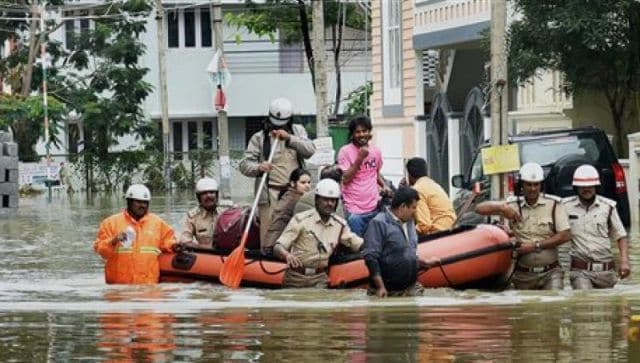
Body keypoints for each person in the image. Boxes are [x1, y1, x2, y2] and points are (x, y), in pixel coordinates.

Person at [475, 162, 571, 290]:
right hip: (522, 275)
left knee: (554, 304)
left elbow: (565, 235)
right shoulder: (512, 204)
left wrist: (534, 246)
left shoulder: (554, 204)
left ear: (541, 185)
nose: (532, 189)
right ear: (521, 185)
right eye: (528, 184)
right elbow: (479, 209)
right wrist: (501, 207)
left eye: (536, 184)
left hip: (551, 273)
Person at [239, 97, 316, 250]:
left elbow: (310, 150)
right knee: (269, 235)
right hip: (270, 195)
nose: (278, 127)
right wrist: (259, 167)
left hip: (295, 192)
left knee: (298, 231)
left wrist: (290, 139)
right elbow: (244, 165)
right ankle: (267, 259)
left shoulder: (298, 131)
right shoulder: (258, 138)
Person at [273, 179, 363, 288]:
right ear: (316, 200)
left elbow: (358, 244)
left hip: (320, 277)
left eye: (333, 201)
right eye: (325, 200)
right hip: (296, 277)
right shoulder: (300, 220)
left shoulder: (340, 225)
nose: (329, 204)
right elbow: (278, 246)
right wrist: (287, 255)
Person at [94, 184, 181, 284]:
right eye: (138, 202)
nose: (143, 205)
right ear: (129, 202)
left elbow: (168, 241)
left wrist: (175, 246)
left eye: (145, 202)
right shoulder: (110, 223)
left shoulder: (158, 223)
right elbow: (101, 251)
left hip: (149, 288)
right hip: (118, 288)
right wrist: (114, 240)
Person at [363, 187, 441, 298]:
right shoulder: (379, 223)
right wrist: (380, 287)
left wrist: (425, 263)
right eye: (414, 208)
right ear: (403, 206)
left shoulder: (410, 224)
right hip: (386, 290)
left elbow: (405, 254)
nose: (415, 212)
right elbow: (371, 257)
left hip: (410, 288)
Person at [562, 164, 630, 289]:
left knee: (606, 306)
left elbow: (621, 236)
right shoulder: (565, 207)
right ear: (576, 187)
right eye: (582, 186)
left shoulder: (608, 207)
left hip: (606, 271)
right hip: (580, 270)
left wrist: (624, 261)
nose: (586, 189)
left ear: (596, 186)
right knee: (585, 298)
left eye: (590, 186)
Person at [338, 115, 391, 237]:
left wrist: (384, 185)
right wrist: (360, 158)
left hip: (375, 208)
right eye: (358, 132)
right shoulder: (345, 151)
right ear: (352, 134)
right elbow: (345, 179)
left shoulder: (376, 151)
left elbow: (375, 174)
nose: (361, 134)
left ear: (369, 132)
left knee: (376, 246)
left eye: (364, 131)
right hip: (354, 212)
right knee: (358, 248)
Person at [262, 168, 312, 253]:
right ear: (293, 183)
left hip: (273, 243)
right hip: (276, 246)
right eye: (303, 183)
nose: (307, 185)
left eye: (309, 182)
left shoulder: (289, 195)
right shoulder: (296, 200)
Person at [405, 157, 456, 234]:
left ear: (409, 175)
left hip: (437, 234)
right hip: (451, 228)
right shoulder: (433, 184)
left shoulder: (417, 190)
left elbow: (424, 225)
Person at [179, 177, 220, 248]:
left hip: (228, 254)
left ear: (216, 195)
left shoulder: (227, 212)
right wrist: (205, 248)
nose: (208, 196)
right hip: (206, 254)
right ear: (199, 197)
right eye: (204, 193)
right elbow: (184, 241)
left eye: (211, 192)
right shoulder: (193, 216)